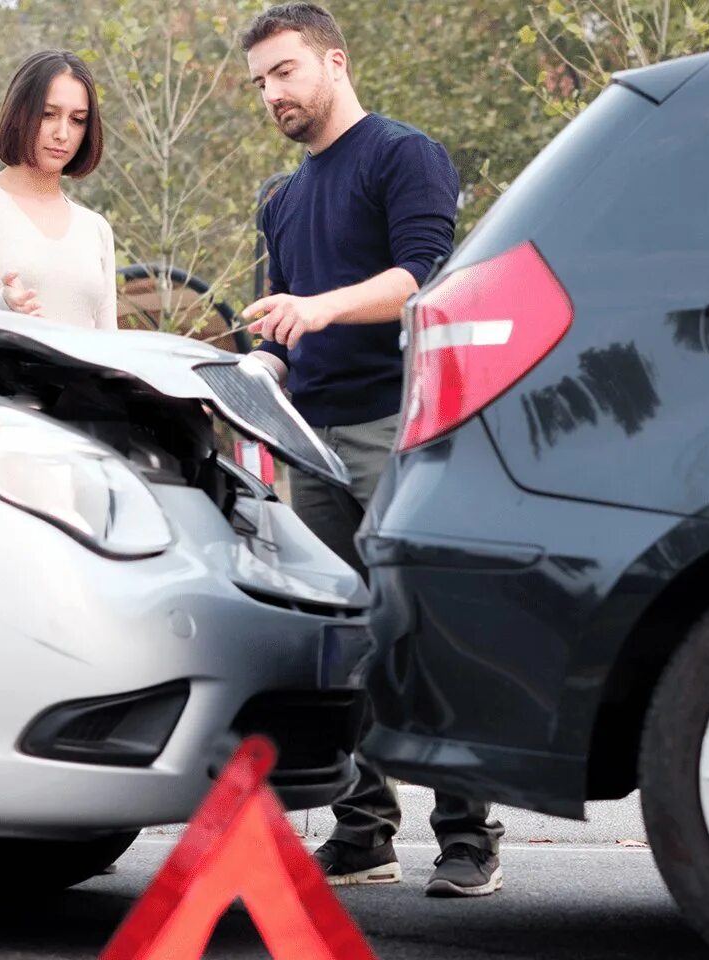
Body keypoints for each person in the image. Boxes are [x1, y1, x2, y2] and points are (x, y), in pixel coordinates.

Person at [236, 2, 506, 898]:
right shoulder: (280, 199)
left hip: (402, 426)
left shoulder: (404, 154)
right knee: (342, 638)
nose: (272, 92)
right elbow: (283, 316)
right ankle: (364, 831)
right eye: (261, 81)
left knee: (424, 628)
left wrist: (318, 308)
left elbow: (422, 279)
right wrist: (262, 361)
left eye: (284, 71)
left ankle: (468, 834)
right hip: (311, 441)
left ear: (334, 61)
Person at [0, 49, 118, 330]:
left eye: (77, 119)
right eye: (48, 114)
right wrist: (3, 305)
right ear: (20, 114)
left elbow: (110, 345)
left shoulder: (96, 228)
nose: (62, 133)